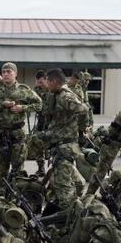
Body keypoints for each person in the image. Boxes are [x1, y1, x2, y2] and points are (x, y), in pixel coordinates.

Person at [0, 62, 42, 194]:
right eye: (3, 72)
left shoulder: (23, 89)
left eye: (9, 71)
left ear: (15, 74)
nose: (5, 74)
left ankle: (16, 195)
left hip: (17, 134)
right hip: (1, 135)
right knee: (1, 169)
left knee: (17, 168)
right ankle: (0, 197)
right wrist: (1, 105)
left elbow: (39, 104)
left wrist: (24, 108)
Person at [39, 68, 89, 209]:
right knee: (78, 183)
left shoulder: (65, 97)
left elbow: (83, 109)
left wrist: (82, 128)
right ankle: (73, 206)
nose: (46, 84)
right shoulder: (55, 94)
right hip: (61, 145)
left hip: (65, 146)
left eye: (48, 81)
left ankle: (67, 216)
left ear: (54, 81)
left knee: (63, 188)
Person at [31, 70, 49, 176]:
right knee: (38, 142)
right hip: (41, 119)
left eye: (41, 82)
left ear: (46, 80)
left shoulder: (52, 89)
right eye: (38, 82)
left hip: (52, 121)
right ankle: (41, 167)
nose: (39, 85)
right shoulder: (36, 89)